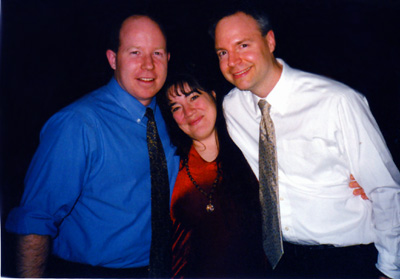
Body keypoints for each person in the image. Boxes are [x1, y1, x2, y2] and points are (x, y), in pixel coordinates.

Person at [210, 5, 400, 279]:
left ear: (270, 41)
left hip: (347, 259)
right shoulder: (232, 107)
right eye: (223, 53)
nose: (233, 61)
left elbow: (385, 190)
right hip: (282, 261)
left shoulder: (337, 101)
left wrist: (390, 269)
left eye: (243, 45)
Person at [5, 14, 180, 278]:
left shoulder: (175, 118)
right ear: (113, 59)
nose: (148, 65)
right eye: (135, 53)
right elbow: (35, 221)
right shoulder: (78, 124)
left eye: (157, 53)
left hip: (166, 269)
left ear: (167, 59)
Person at [157, 74, 268, 278]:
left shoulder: (250, 148)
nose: (189, 112)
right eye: (176, 107)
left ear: (214, 95)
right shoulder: (169, 166)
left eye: (193, 97)